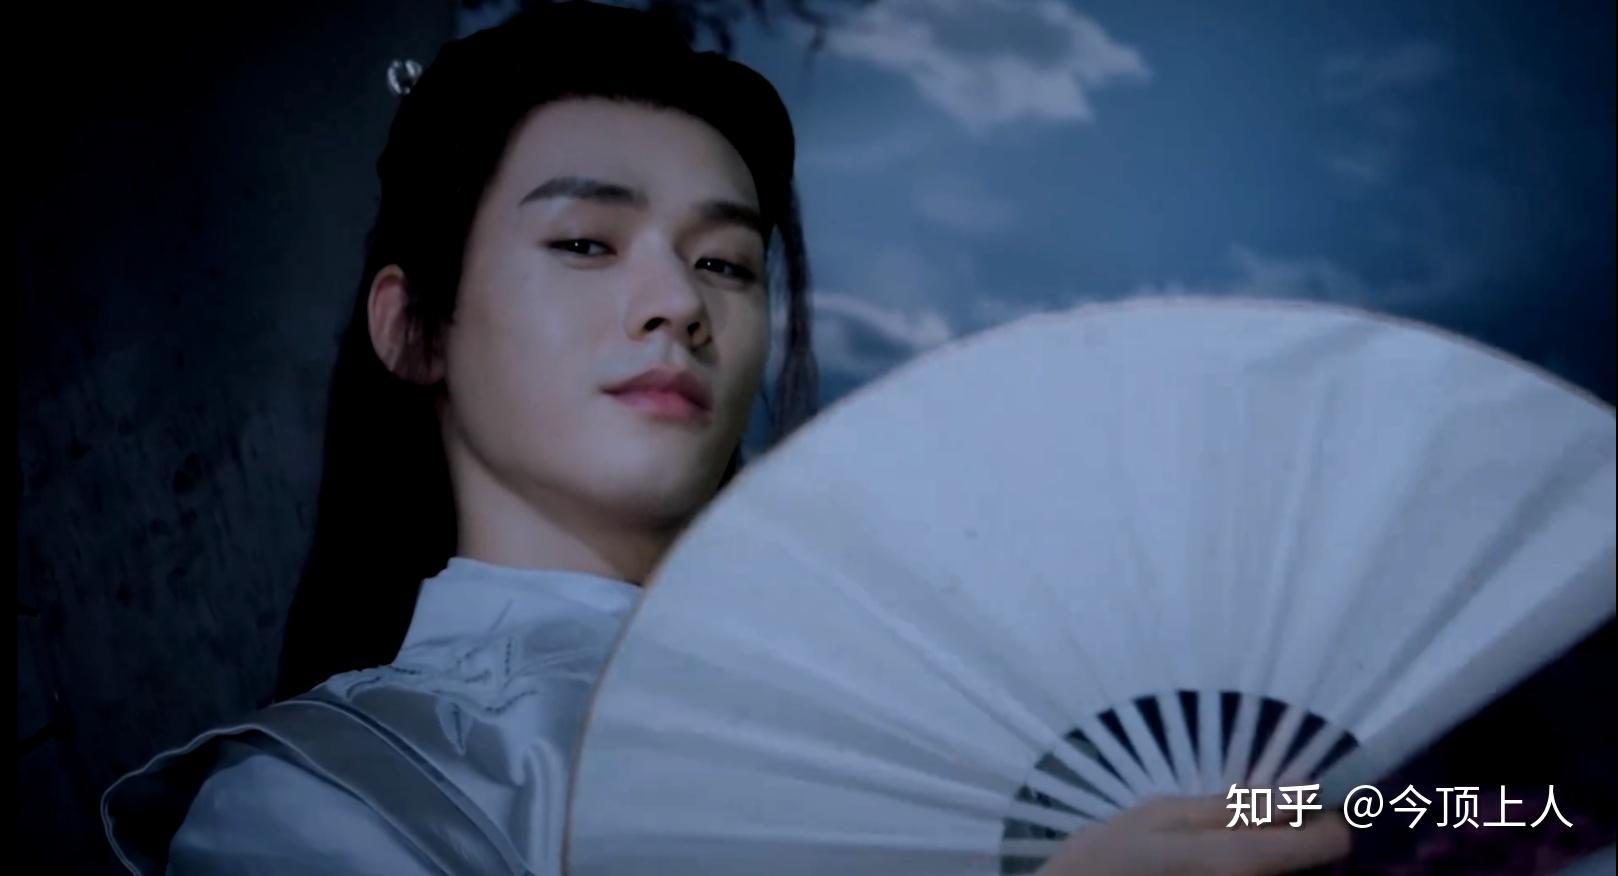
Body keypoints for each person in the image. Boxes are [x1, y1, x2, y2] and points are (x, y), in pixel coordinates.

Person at [101, 3, 1350, 874]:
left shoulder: (942, 718)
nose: (677, 304)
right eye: (585, 243)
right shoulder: (326, 802)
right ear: (415, 325)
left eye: (726, 262)